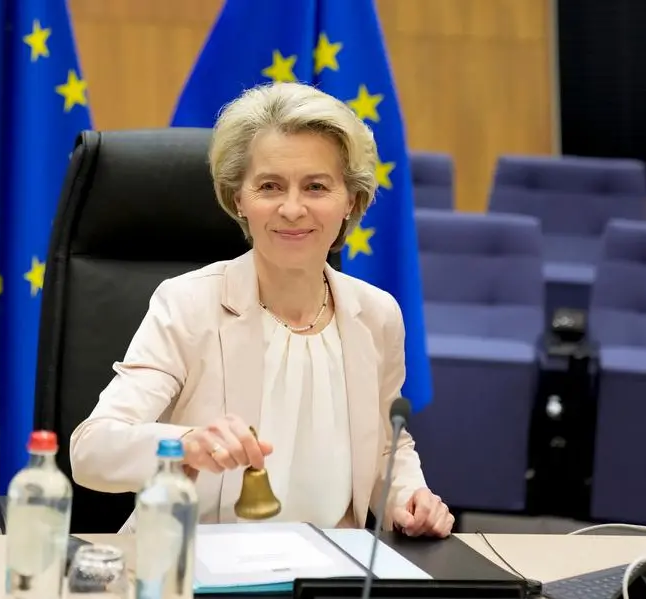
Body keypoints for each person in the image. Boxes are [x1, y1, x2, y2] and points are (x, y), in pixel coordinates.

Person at [69, 82, 454, 538]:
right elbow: (90, 450)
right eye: (270, 186)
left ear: (350, 202)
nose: (292, 208)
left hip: (333, 569)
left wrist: (406, 498)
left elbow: (386, 448)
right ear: (239, 199)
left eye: (316, 186)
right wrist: (186, 445)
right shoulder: (188, 305)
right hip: (198, 564)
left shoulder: (376, 315)